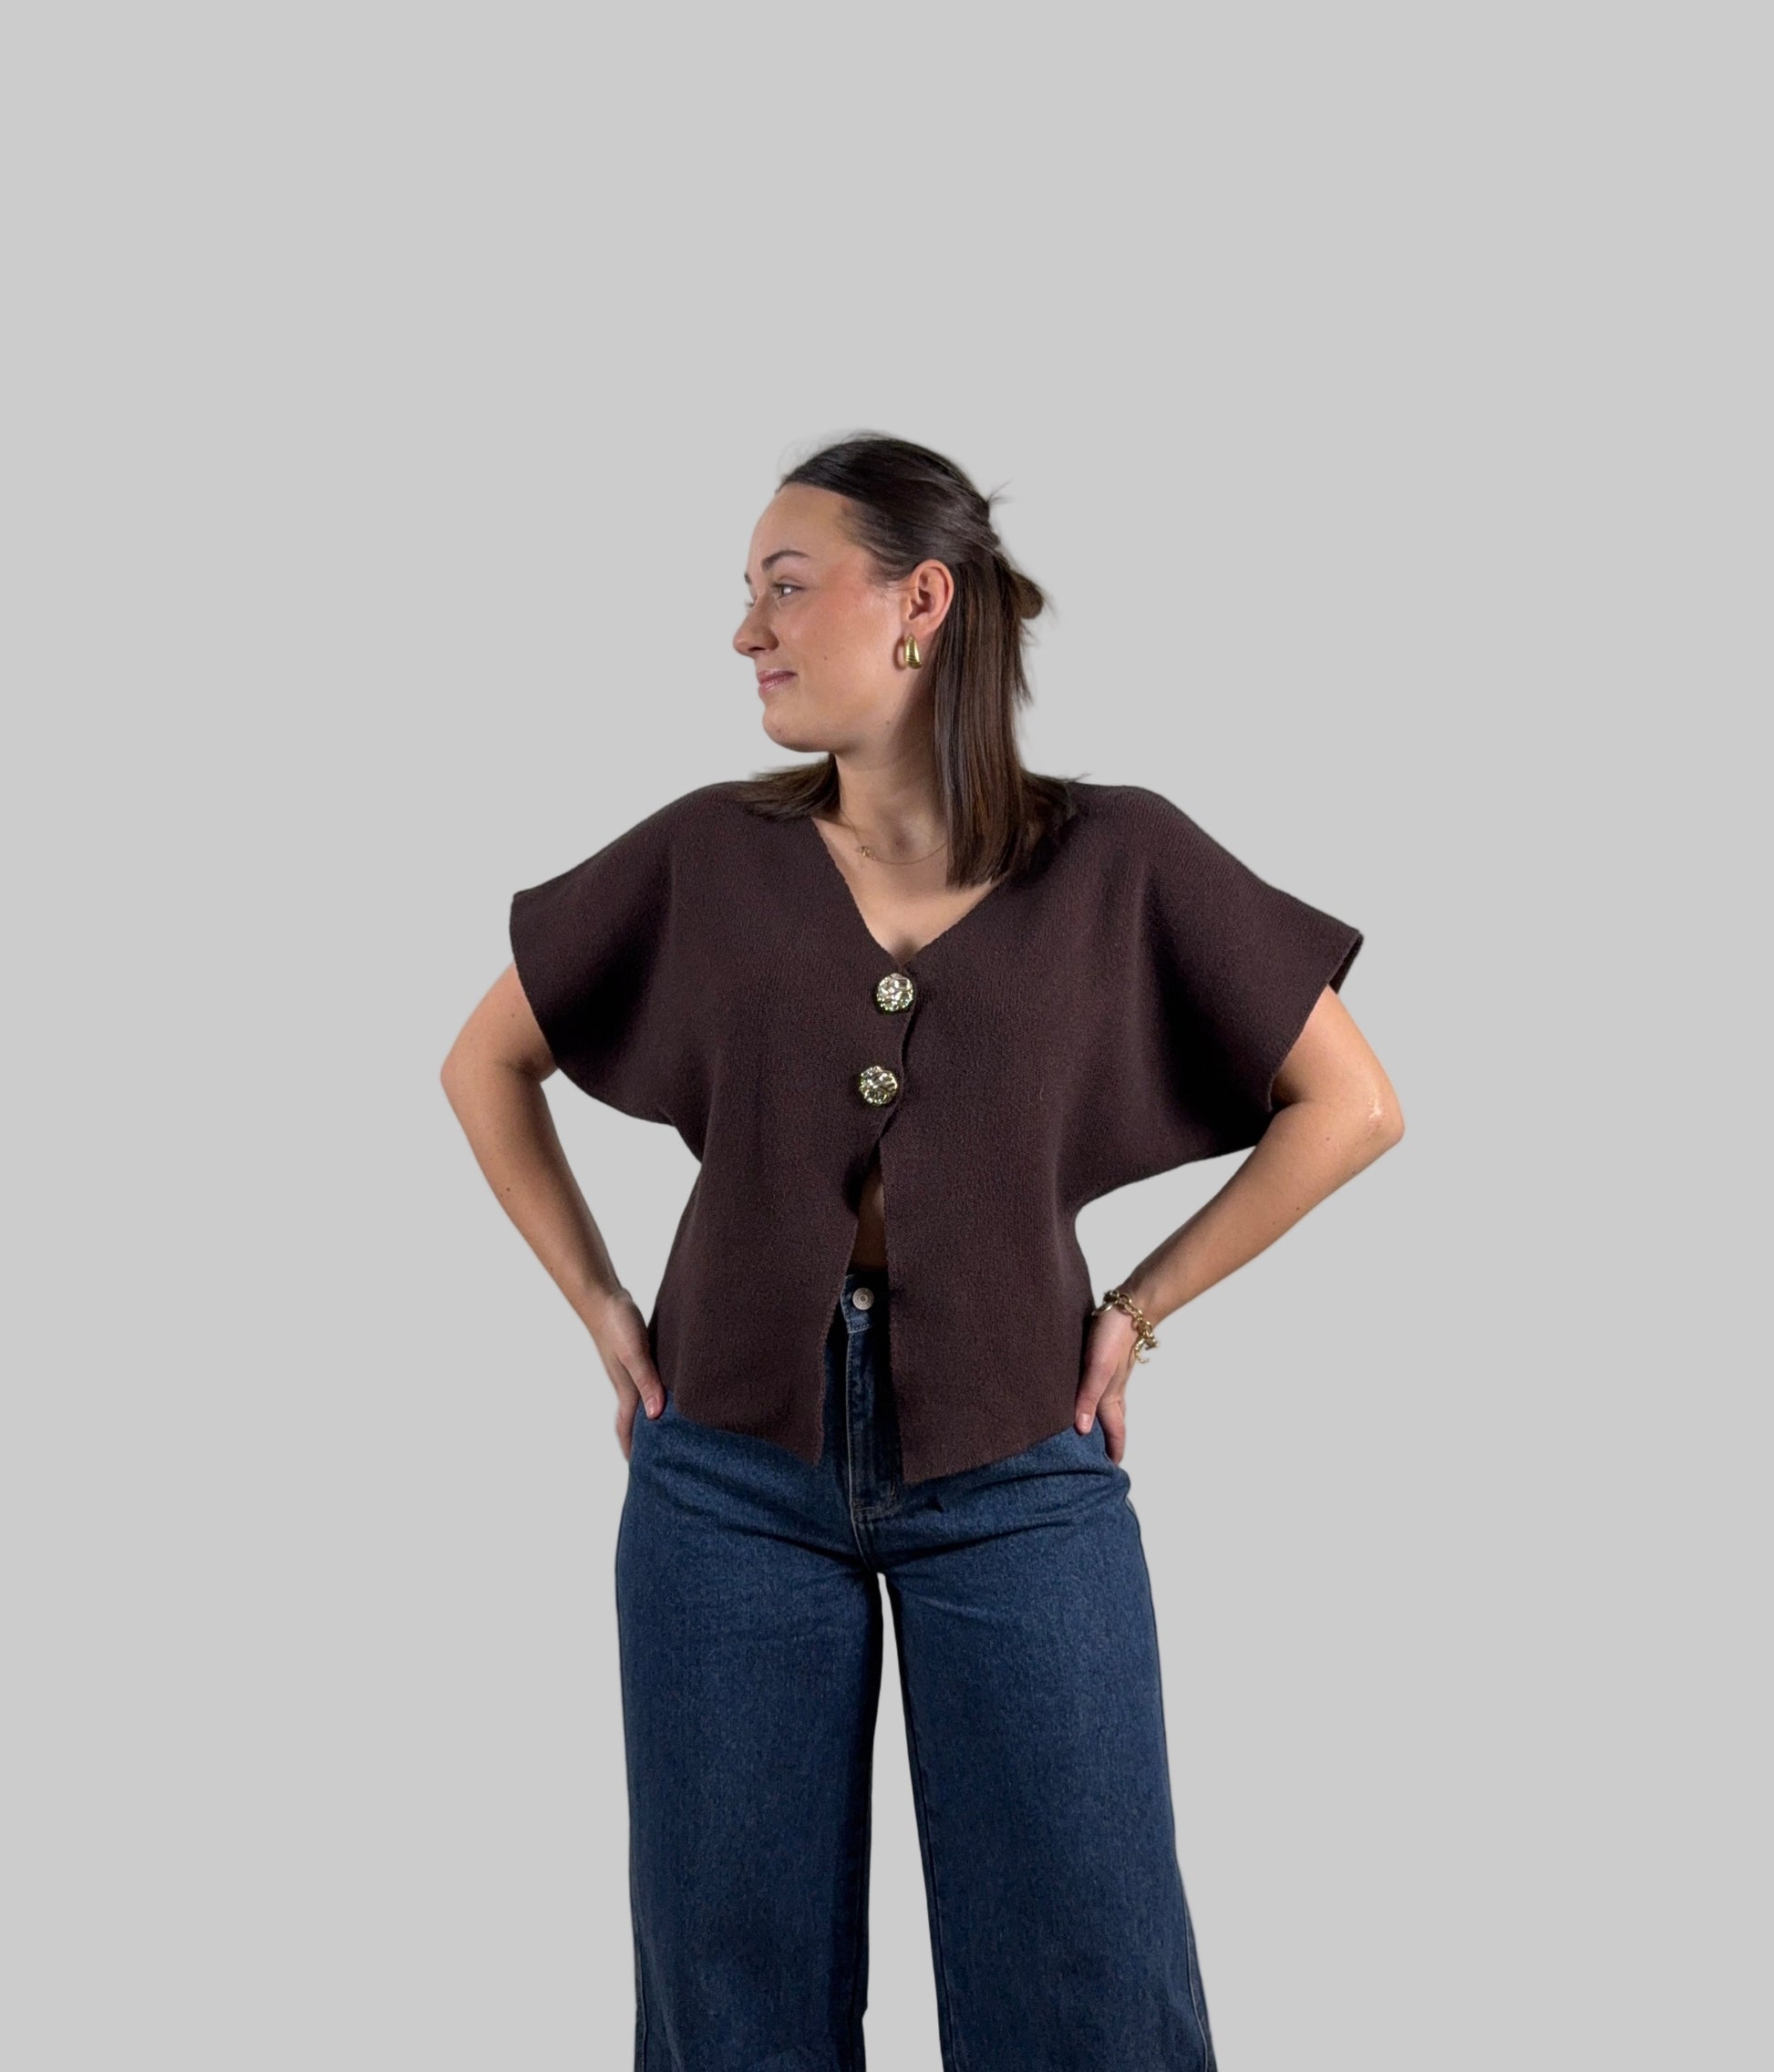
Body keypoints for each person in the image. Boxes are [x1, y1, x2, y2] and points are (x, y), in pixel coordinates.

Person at [441, 433, 1404, 2071]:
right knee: (727, 2007)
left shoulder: (1120, 855)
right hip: (723, 1471)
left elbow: (1353, 1103)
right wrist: (601, 1304)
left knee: (1090, 1988)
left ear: (920, 604)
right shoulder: (704, 852)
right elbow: (484, 1063)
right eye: (746, 594)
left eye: (785, 587)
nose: (746, 631)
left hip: (1020, 1461)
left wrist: (1140, 1306)